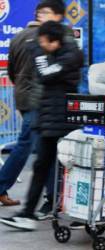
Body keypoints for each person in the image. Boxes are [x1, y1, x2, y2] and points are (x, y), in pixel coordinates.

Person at [0, 20, 83, 231]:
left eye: (44, 41)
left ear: (55, 41)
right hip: (48, 119)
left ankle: (73, 211)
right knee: (41, 167)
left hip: (64, 121)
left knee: (69, 168)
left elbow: (45, 74)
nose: (40, 44)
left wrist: (38, 52)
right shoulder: (49, 53)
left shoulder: (70, 56)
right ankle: (28, 214)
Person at [0, 0, 66, 207]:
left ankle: (52, 197)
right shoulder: (45, 39)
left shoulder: (18, 37)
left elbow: (11, 70)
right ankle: (49, 197)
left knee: (40, 145)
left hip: (22, 96)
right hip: (39, 99)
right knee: (30, 145)